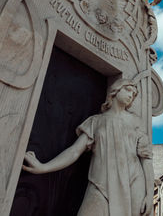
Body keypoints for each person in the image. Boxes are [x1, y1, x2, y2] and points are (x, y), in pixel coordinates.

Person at [23, 78, 153, 216]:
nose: (130, 95)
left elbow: (146, 160)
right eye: (128, 90)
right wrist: (44, 167)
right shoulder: (96, 122)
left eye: (133, 94)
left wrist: (150, 195)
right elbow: (74, 151)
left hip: (133, 183)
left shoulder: (136, 122)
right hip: (101, 183)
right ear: (115, 90)